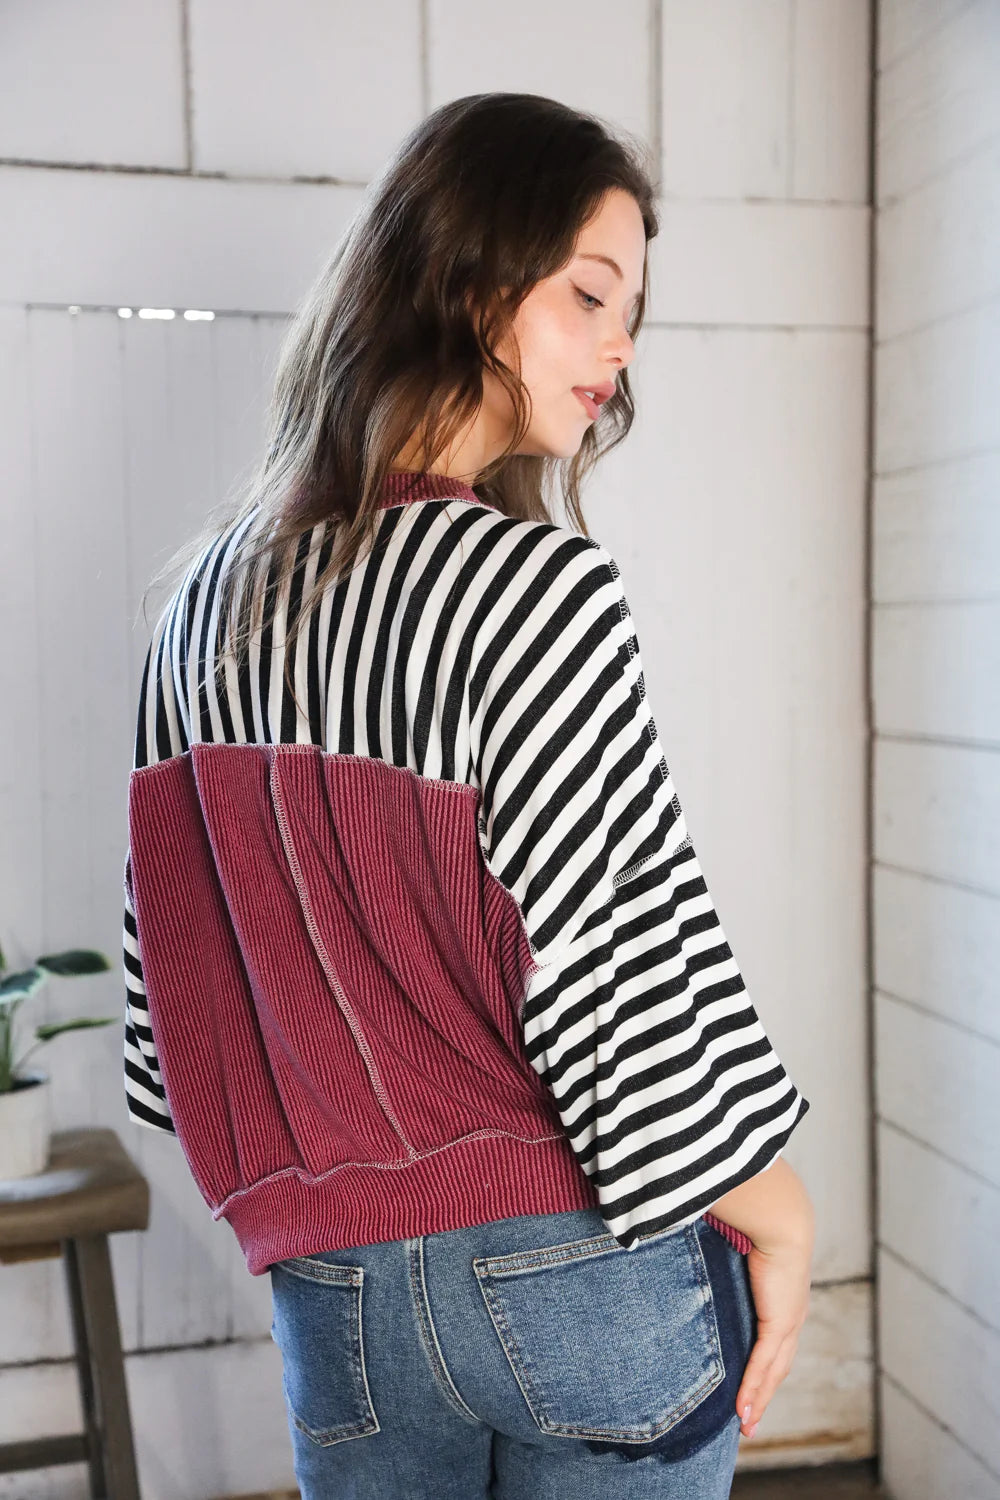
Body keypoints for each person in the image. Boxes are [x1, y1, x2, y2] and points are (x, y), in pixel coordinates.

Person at [122, 92, 814, 1499]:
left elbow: (170, 1007)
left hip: (341, 1298)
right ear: (471, 280)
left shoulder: (201, 607)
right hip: (581, 1267)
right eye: (589, 295)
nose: (620, 350)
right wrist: (782, 1209)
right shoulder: (535, 589)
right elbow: (615, 987)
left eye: (632, 313)